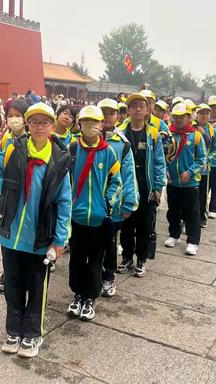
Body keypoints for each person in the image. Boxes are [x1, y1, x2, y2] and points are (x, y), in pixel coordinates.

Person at [0, 102, 72, 358]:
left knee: (37, 287)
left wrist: (60, 239)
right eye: (34, 122)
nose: (39, 127)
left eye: (44, 122)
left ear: (52, 126)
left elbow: (64, 201)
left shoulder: (60, 158)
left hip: (40, 236)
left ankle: (32, 334)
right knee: (13, 285)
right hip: (12, 235)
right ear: (28, 125)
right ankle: (13, 330)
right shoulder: (12, 150)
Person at [67, 105, 122, 320]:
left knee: (96, 260)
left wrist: (108, 203)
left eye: (94, 122)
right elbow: (64, 180)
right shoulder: (72, 150)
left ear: (101, 126)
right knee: (77, 260)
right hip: (76, 217)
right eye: (86, 122)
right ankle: (77, 295)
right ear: (79, 124)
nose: (90, 126)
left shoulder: (108, 152)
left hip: (99, 218)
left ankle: (90, 297)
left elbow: (117, 181)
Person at [116, 93, 165, 277]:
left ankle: (141, 259)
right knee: (126, 225)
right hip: (126, 188)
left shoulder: (153, 134)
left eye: (141, 106)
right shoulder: (120, 132)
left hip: (146, 187)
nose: (138, 109)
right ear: (128, 110)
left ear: (147, 110)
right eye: (134, 105)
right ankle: (126, 257)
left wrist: (158, 188)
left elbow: (159, 162)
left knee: (145, 226)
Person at [98, 98, 139, 296]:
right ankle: (93, 275)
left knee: (110, 243)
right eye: (103, 112)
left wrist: (128, 203)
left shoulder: (122, 145)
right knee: (91, 244)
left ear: (117, 116)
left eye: (111, 113)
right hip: (89, 204)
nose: (106, 116)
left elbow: (129, 176)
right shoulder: (84, 140)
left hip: (112, 206)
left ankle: (108, 277)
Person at [0, 98, 29, 294]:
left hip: (26, 195)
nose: (14, 119)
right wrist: (2, 185)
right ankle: (8, 273)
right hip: (8, 196)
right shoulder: (6, 139)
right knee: (8, 233)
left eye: (18, 116)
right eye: (10, 116)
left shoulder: (34, 137)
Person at [164, 103, 207, 255]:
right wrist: (165, 171)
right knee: (173, 210)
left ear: (189, 118)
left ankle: (193, 241)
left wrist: (189, 172)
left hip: (190, 182)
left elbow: (202, 159)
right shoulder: (168, 135)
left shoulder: (196, 136)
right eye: (175, 117)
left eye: (182, 117)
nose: (178, 120)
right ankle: (174, 234)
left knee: (192, 212)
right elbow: (162, 156)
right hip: (172, 181)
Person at [193, 104, 216, 228]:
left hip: (204, 169)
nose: (205, 116)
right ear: (196, 115)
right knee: (190, 195)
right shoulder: (191, 127)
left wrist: (207, 158)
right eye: (202, 113)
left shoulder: (212, 131)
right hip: (190, 168)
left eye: (207, 113)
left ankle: (201, 217)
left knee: (203, 194)